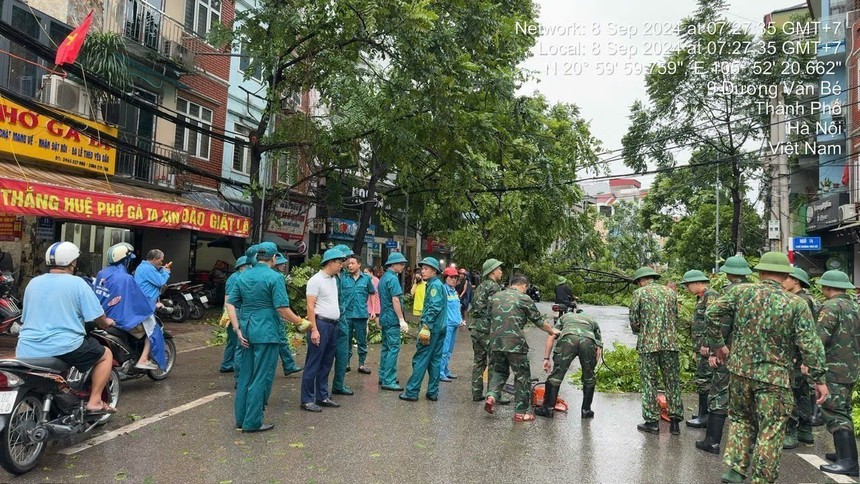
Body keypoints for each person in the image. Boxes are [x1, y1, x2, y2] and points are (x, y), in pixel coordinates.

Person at [705, 251, 828, 483]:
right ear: (786, 275)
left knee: (741, 420)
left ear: (760, 272)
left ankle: (735, 471)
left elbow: (711, 313)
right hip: (775, 378)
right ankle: (762, 478)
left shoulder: (741, 292)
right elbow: (810, 344)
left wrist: (718, 345)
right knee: (771, 428)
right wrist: (819, 378)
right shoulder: (796, 304)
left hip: (740, 373)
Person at [17, 241, 116, 413]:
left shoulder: (33, 283)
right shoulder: (77, 283)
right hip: (65, 346)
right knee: (105, 355)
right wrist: (106, 323)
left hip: (26, 347)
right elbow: (97, 316)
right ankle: (95, 401)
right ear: (72, 263)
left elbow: (26, 317)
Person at [225, 242, 312, 432]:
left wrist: (237, 328)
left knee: (245, 376)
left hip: (246, 330)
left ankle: (241, 419)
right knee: (261, 377)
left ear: (257, 257)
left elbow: (230, 303)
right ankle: (252, 422)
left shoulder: (243, 275)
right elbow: (282, 308)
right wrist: (300, 322)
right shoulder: (275, 277)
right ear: (274, 258)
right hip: (266, 331)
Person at [695, 254, 752, 454]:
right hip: (752, 355)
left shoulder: (730, 293)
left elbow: (721, 322)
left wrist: (715, 349)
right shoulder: (756, 292)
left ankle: (712, 441)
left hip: (728, 351)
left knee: (719, 392)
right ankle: (748, 445)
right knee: (747, 397)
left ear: (728, 274)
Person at [484, 275, 559, 422]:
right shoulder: (524, 298)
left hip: (495, 342)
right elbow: (538, 320)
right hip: (515, 343)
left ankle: (491, 396)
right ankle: (521, 413)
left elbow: (488, 318)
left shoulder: (495, 296)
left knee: (499, 371)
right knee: (522, 376)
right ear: (524, 286)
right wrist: (552, 331)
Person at [814, 270, 860, 476]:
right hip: (850, 367)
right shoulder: (854, 306)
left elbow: (818, 339)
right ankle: (842, 454)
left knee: (834, 411)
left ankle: (848, 462)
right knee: (844, 408)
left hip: (833, 368)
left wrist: (811, 364)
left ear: (827, 287)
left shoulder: (830, 307)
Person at [94, 243, 166, 371]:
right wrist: (153, 305)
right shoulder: (126, 278)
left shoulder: (101, 273)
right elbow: (138, 300)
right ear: (125, 260)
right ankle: (143, 359)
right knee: (153, 330)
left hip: (102, 315)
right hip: (119, 318)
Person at [629, 266, 683, 435]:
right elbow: (676, 316)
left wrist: (642, 330)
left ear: (641, 280)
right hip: (670, 343)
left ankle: (652, 422)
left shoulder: (639, 293)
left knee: (649, 382)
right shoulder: (671, 293)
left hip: (648, 344)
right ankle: (675, 423)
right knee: (672, 381)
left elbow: (634, 320)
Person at [300, 249, 346, 412]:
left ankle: (322, 395)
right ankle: (307, 399)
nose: (341, 265)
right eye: (339, 262)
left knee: (327, 362)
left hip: (333, 325)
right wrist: (314, 329)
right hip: (321, 324)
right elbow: (310, 306)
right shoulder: (316, 280)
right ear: (330, 262)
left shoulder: (333, 280)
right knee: (313, 362)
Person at [536, 310, 602, 419]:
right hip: (588, 341)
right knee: (589, 377)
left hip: (568, 339)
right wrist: (591, 367)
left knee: (556, 376)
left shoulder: (565, 317)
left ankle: (547, 409)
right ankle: (586, 410)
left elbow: (551, 336)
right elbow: (598, 348)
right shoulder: (592, 320)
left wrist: (546, 359)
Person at [399, 257, 447, 402]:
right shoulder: (436, 284)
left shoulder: (434, 286)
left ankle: (412, 392)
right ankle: (433, 392)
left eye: (426, 269)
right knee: (435, 361)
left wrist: (426, 326)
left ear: (434, 271)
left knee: (420, 359)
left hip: (431, 329)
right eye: (422, 269)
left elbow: (434, 307)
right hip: (439, 328)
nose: (423, 271)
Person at [782, 266, 817, 449]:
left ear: (795, 281)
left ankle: (791, 432)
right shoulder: (808, 298)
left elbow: (801, 331)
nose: (783, 281)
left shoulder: (799, 301)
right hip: (802, 354)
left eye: (786, 278)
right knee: (803, 392)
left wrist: (802, 358)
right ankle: (805, 430)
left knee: (792, 393)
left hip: (796, 355)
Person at [679, 270, 718, 429]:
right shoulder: (701, 297)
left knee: (704, 380)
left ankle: (705, 416)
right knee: (702, 378)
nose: (687, 288)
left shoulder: (710, 296)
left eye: (688, 285)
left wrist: (707, 344)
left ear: (697, 282)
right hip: (701, 347)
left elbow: (713, 321)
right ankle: (703, 412)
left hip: (706, 347)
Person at [332, 254, 376, 395]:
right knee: (346, 341)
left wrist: (373, 310)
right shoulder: (343, 278)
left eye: (352, 263)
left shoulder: (366, 279)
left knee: (362, 341)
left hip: (361, 314)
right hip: (346, 315)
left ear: (359, 264)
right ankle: (346, 363)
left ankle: (362, 364)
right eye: (348, 263)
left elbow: (372, 293)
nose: (350, 265)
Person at [469, 258, 505, 402]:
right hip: (487, 329)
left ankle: (476, 393)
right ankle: (493, 395)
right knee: (494, 363)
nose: (501, 271)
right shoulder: (494, 287)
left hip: (476, 327)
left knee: (478, 361)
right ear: (493, 271)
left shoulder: (480, 286)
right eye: (499, 269)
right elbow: (495, 309)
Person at [377, 252, 409, 391]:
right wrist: (401, 319)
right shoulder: (393, 279)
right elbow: (395, 300)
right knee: (393, 348)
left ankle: (383, 375)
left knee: (386, 347)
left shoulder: (384, 278)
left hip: (385, 317)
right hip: (392, 318)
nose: (403, 266)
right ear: (393, 264)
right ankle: (389, 380)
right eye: (401, 264)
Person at [274, 254, 303, 376]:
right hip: (275, 315)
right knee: (281, 340)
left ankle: (288, 365)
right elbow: (281, 303)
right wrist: (296, 320)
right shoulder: (277, 277)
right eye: (281, 263)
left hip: (274, 315)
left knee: (282, 340)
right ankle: (289, 365)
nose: (284, 265)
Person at [219, 256, 249, 373]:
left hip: (236, 312)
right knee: (235, 341)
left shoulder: (239, 277)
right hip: (233, 313)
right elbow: (228, 299)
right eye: (248, 265)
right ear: (242, 267)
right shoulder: (234, 279)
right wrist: (227, 314)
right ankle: (229, 365)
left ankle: (228, 364)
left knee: (233, 340)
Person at [440, 267, 464, 381]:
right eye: (451, 277)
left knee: (449, 350)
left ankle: (445, 370)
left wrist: (460, 320)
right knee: (444, 350)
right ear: (446, 278)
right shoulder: (443, 290)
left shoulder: (454, 291)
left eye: (455, 278)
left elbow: (457, 308)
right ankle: (440, 372)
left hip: (454, 324)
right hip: (447, 325)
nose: (454, 280)